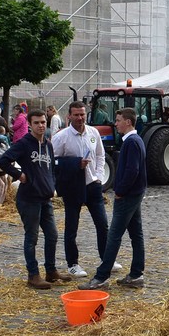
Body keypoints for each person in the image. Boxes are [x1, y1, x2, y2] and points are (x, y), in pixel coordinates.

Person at [0, 109, 70, 290]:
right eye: (36, 122)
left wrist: (52, 184)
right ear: (29, 124)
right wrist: (19, 174)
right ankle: (33, 275)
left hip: (45, 198)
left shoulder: (48, 145)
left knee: (52, 234)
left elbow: (51, 168)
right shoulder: (24, 144)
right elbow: (2, 161)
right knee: (32, 237)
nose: (41, 125)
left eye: (43, 122)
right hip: (29, 198)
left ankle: (51, 271)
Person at [79, 108, 147, 290]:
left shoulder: (131, 142)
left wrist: (120, 190)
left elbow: (133, 170)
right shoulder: (135, 140)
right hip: (135, 193)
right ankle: (136, 274)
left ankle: (102, 277)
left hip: (128, 195)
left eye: (118, 120)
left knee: (114, 236)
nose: (115, 123)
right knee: (136, 234)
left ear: (128, 122)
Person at [51, 101, 112, 279]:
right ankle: (72, 264)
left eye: (82, 114)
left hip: (93, 185)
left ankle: (106, 259)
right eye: (76, 115)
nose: (80, 118)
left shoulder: (93, 133)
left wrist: (99, 176)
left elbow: (100, 155)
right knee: (71, 227)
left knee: (102, 224)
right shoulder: (61, 137)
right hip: (73, 186)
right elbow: (53, 161)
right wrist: (74, 163)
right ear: (68, 116)